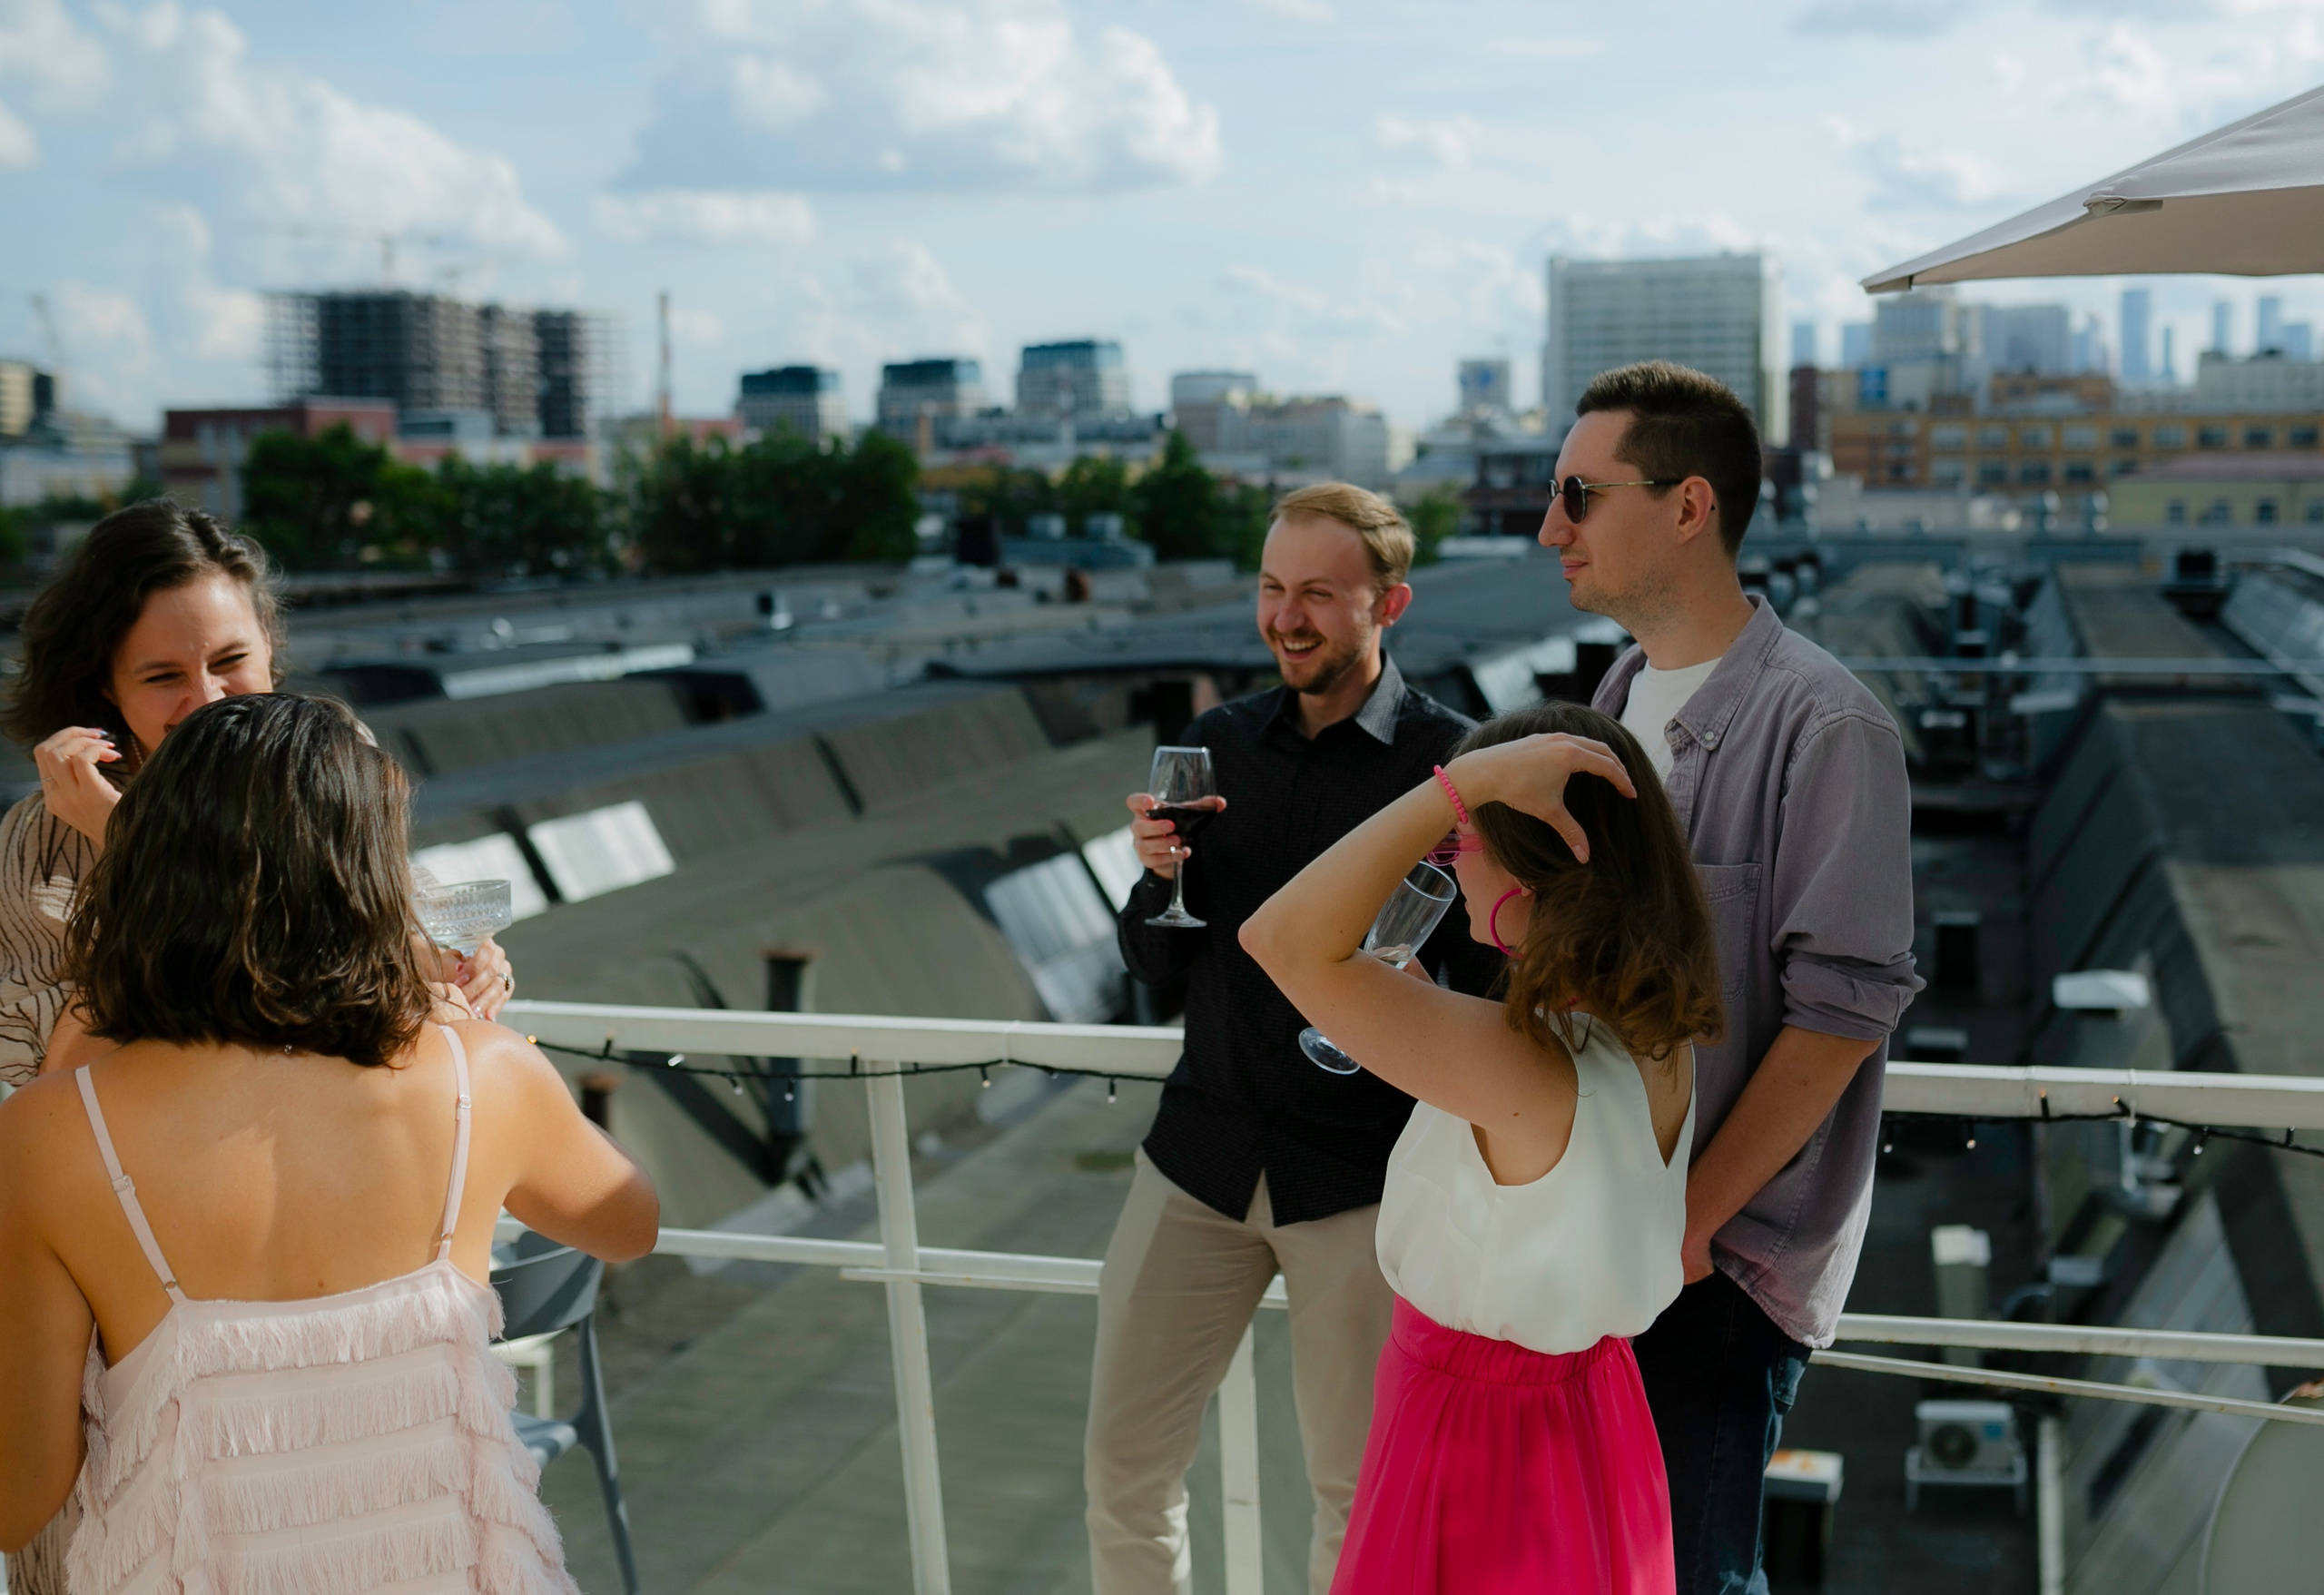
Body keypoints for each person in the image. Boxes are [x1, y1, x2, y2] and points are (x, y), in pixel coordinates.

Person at [0, 692, 660, 1592]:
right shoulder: (485, 1073)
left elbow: (19, 1494)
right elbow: (630, 1224)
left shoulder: (52, 1127)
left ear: (150, 867)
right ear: (369, 875)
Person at [1541, 360, 1921, 1593]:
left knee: (1688, 1578)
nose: (1551, 529)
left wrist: (1690, 1224)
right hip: (1598, 1239)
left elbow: (1841, 1017)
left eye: (1580, 496)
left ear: (1690, 507)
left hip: (1715, 1269)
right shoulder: (1612, 701)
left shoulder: (1827, 725)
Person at [1088, 483, 1501, 1595]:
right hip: (1197, 1164)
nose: (1287, 616)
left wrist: (1418, 993)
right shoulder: (1215, 745)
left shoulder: (1454, 767)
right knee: (1124, 1470)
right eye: (1273, 589)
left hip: (1360, 1184)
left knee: (1357, 1496)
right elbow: (1160, 965)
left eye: (1318, 592)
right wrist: (1157, 879)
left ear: (1389, 603)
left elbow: (1498, 985)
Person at [1242, 703, 1721, 1592]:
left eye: (1462, 836)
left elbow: (1276, 937)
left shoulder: (1526, 1062)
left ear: (1527, 870)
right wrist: (1396, 1002)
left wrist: (1452, 785)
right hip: (1589, 1415)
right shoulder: (1645, 1030)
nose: (1450, 856)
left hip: (1475, 1439)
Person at [0, 498, 513, 1084]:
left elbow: (399, 927)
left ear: (268, 642)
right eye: (163, 677)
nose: (210, 699)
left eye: (231, 659)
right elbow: (44, 1062)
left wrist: (473, 962)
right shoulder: (47, 836)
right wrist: (128, 839)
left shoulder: (335, 764)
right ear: (106, 686)